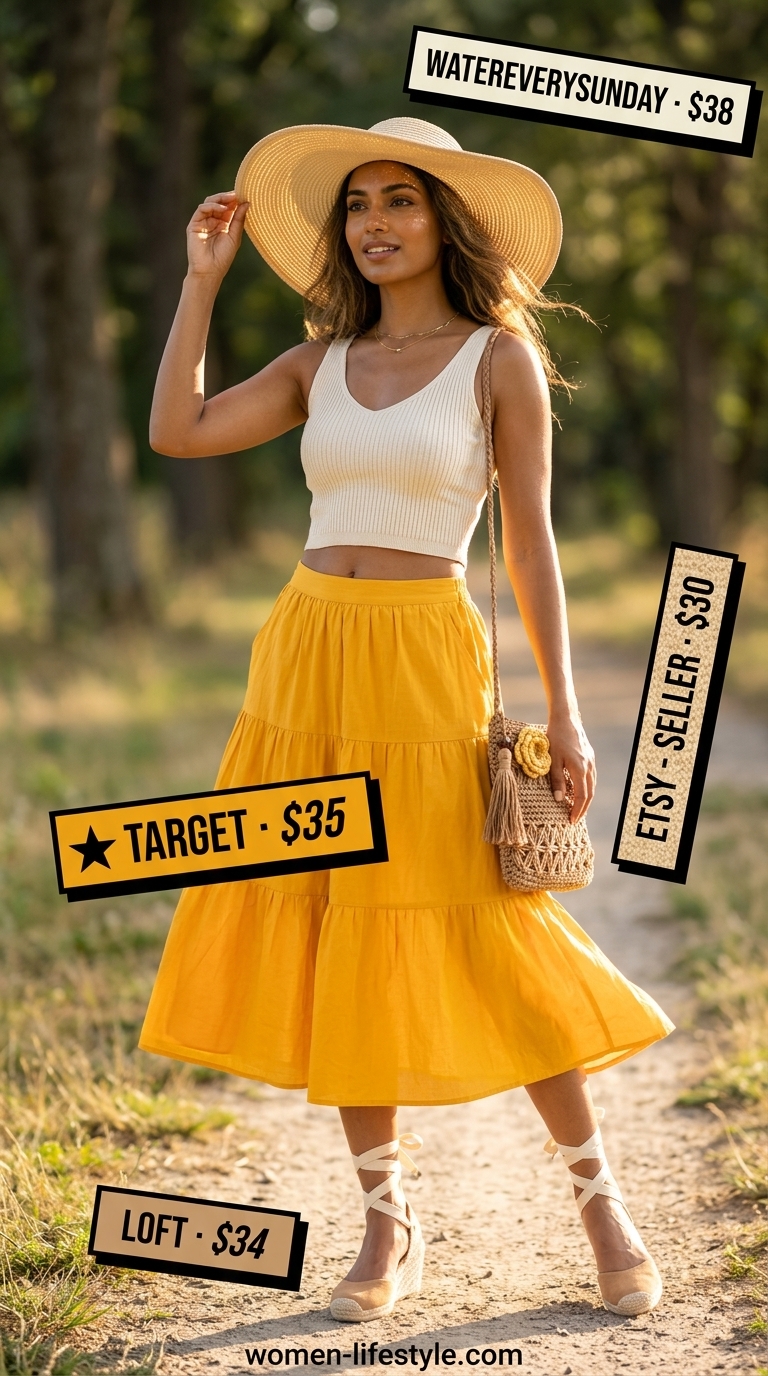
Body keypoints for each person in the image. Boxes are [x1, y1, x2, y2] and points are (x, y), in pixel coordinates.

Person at [141, 116, 673, 1323]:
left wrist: (569, 718)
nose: (375, 222)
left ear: (446, 221)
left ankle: (601, 1201)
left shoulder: (498, 359)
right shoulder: (316, 360)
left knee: (494, 920)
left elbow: (530, 543)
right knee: (340, 921)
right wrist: (199, 284)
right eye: (358, 205)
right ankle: (388, 1222)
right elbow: (177, 431)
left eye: (402, 201)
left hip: (430, 663)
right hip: (308, 658)